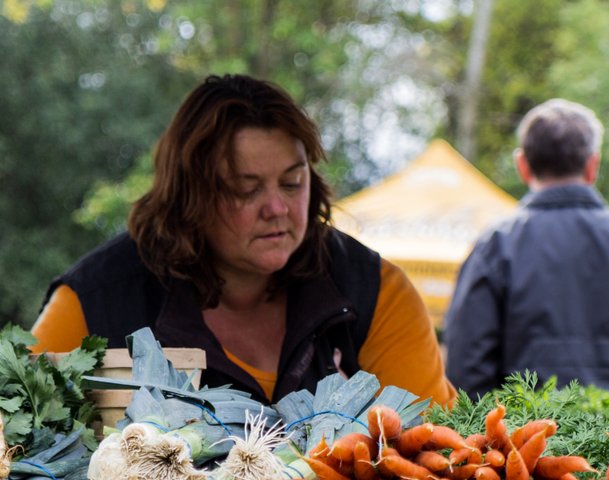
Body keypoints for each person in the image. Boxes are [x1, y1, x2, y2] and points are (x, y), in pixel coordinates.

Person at [32, 74, 455, 408]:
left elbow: (434, 458)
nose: (277, 208)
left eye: (292, 183)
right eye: (245, 189)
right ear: (188, 196)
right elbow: (14, 435)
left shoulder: (375, 291)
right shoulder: (96, 302)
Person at [442, 98, 609, 400]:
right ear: (592, 164)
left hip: (528, 442)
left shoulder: (496, 246)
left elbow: (465, 370)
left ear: (523, 165)